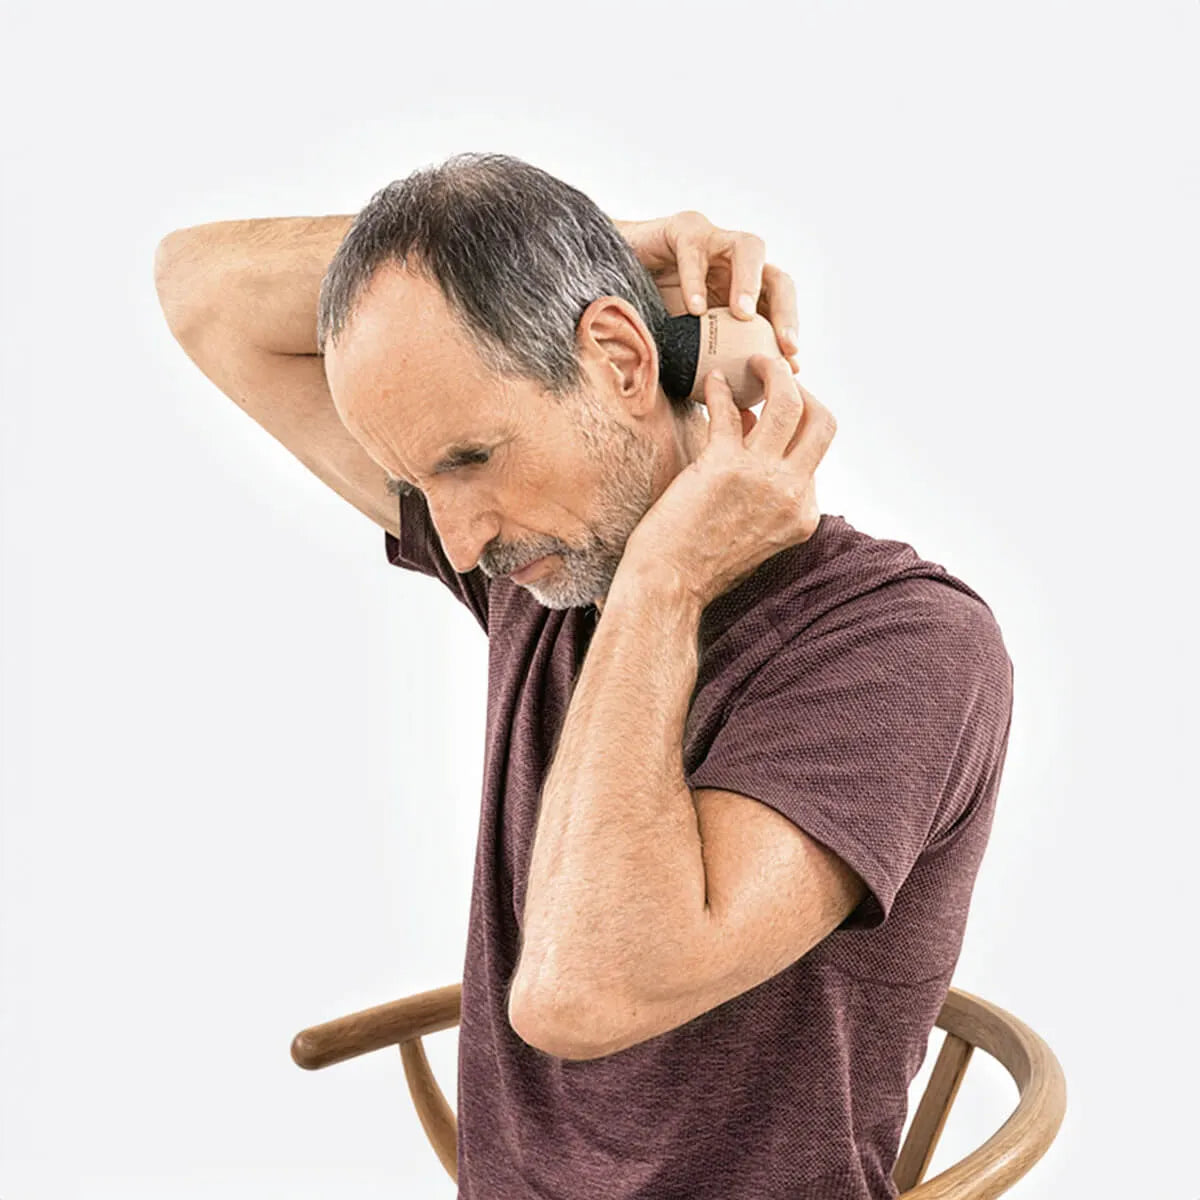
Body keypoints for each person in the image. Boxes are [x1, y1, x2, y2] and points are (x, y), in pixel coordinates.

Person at [155, 151, 1013, 1200]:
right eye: (421, 480)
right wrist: (599, 243)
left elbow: (581, 995)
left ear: (619, 358)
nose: (459, 545)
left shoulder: (901, 646)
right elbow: (198, 294)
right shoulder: (547, 560)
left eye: (469, 458)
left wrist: (665, 577)